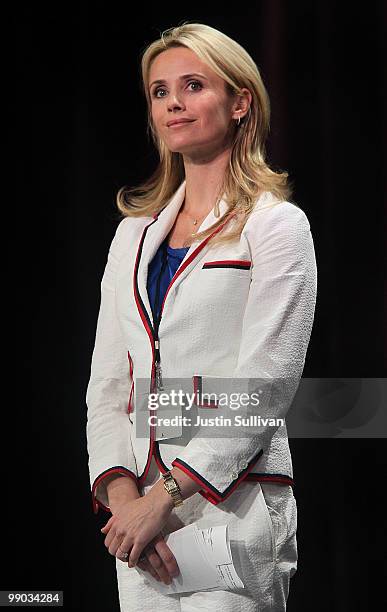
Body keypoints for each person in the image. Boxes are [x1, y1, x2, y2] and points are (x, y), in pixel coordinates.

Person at [86, 21, 317, 612]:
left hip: (230, 508)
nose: (173, 104)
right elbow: (109, 386)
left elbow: (264, 388)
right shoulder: (131, 237)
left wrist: (165, 499)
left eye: (193, 85)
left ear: (240, 102)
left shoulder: (276, 227)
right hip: (139, 526)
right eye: (160, 92)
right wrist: (124, 501)